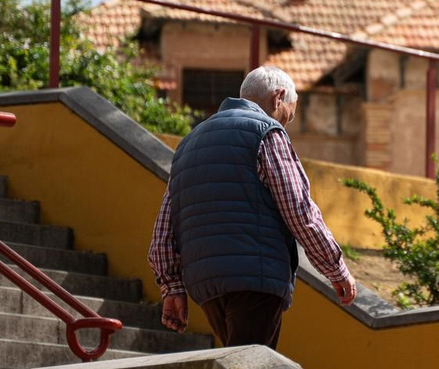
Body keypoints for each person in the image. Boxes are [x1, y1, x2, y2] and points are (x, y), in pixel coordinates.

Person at [148, 65, 357, 349]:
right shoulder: (266, 132)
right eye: (288, 115)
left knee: (238, 363)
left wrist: (172, 287)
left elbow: (163, 231)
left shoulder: (188, 144)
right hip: (256, 276)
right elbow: (299, 210)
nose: (286, 124)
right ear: (278, 98)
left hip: (206, 286)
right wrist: (336, 268)